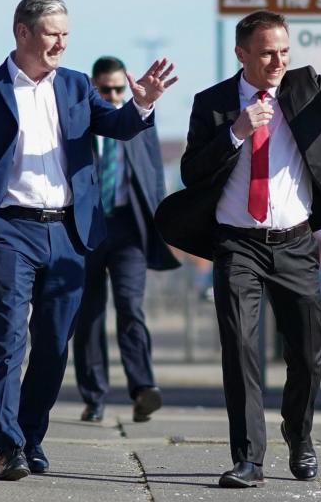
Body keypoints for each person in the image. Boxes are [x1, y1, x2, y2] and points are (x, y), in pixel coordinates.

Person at [155, 10, 321, 488]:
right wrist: (236, 131)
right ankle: (248, 459)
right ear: (242, 55)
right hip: (237, 243)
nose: (278, 60)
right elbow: (193, 172)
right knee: (239, 349)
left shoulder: (304, 87)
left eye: (284, 51)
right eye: (266, 52)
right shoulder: (213, 104)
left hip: (295, 242)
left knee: (306, 353)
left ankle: (299, 437)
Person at [0, 0, 177, 481]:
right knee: (9, 338)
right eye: (52, 34)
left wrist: (142, 103)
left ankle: (30, 435)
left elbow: (117, 126)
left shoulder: (75, 87)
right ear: (23, 33)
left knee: (53, 345)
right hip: (10, 229)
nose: (61, 44)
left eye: (66, 35)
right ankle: (8, 446)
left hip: (70, 233)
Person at [72, 56, 181, 425]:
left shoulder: (139, 122)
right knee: (89, 316)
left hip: (128, 230)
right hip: (86, 230)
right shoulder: (81, 122)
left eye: (120, 89)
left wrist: (164, 221)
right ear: (94, 87)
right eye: (107, 90)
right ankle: (94, 396)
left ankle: (142, 389)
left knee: (131, 308)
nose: (116, 96)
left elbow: (153, 175)